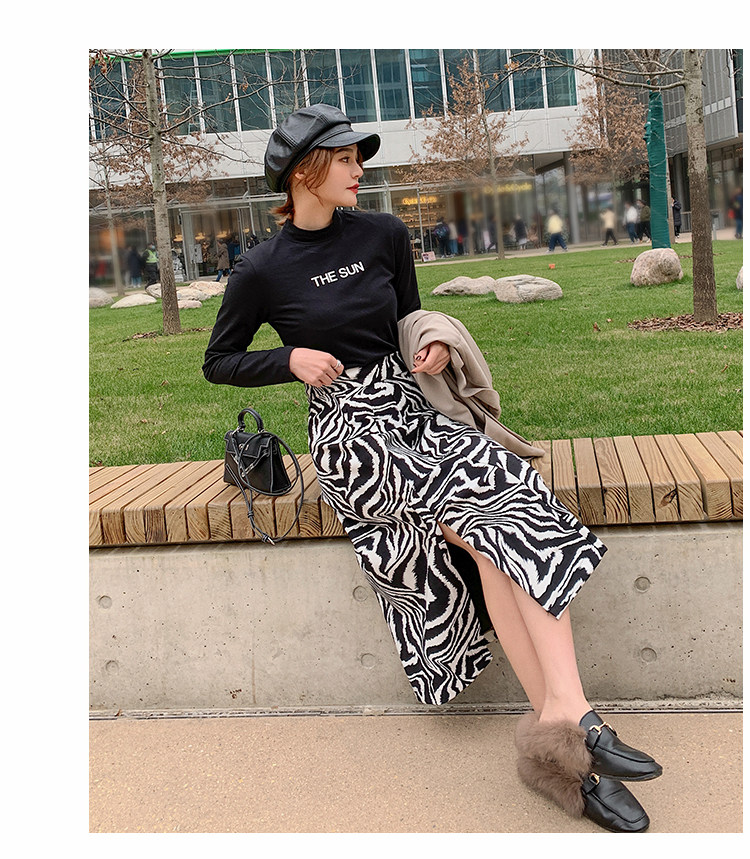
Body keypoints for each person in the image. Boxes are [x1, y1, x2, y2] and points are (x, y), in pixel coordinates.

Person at [202, 104, 661, 834]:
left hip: (417, 415)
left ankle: (564, 725)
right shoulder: (262, 268)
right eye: (346, 158)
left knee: (506, 517)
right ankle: (576, 726)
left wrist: (436, 347)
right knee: (486, 529)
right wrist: (288, 358)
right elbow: (219, 361)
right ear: (303, 172)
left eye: (358, 157)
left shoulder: (384, 234)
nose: (360, 169)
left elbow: (410, 320)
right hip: (354, 441)